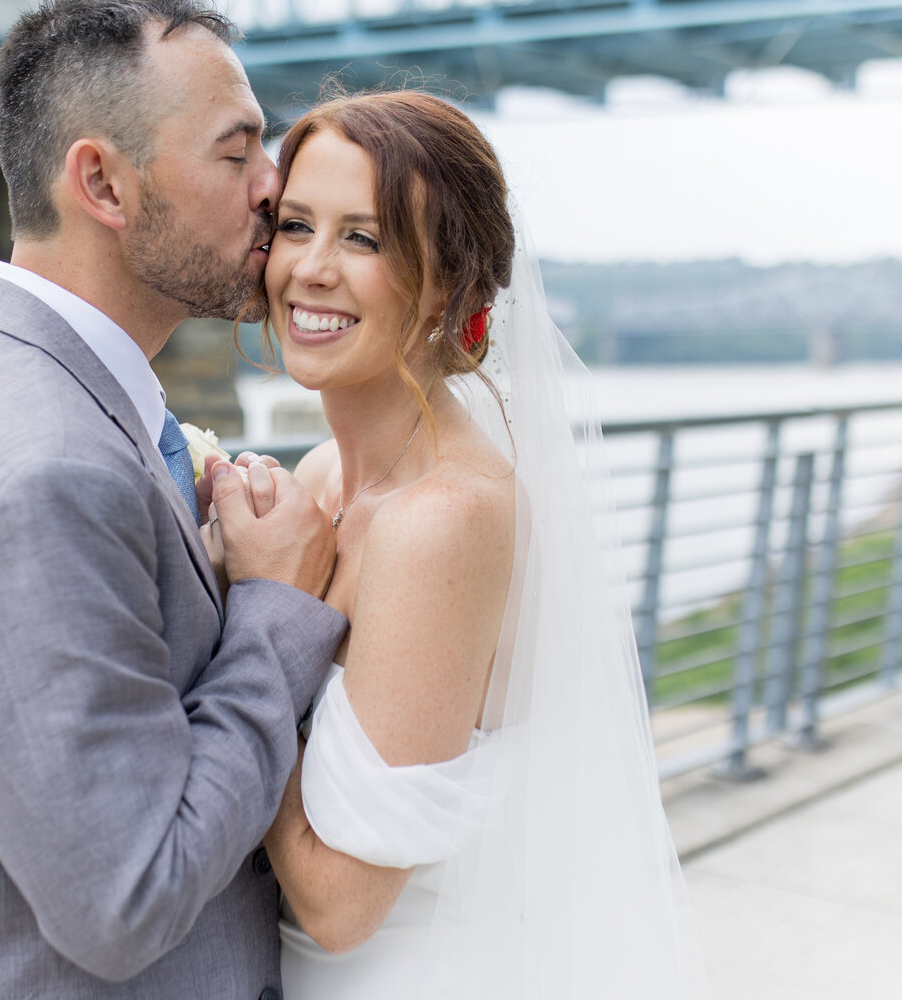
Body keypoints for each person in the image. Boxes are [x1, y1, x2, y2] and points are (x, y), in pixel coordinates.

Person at [0, 0, 350, 999]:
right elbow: (126, 899)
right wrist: (274, 609)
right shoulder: (47, 469)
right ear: (104, 183)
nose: (274, 186)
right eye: (235, 149)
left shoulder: (18, 383)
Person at [226, 90, 708, 997]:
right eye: (296, 225)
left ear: (449, 284)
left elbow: (340, 906)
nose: (313, 268)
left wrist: (257, 612)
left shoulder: (445, 518)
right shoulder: (326, 474)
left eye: (363, 239)